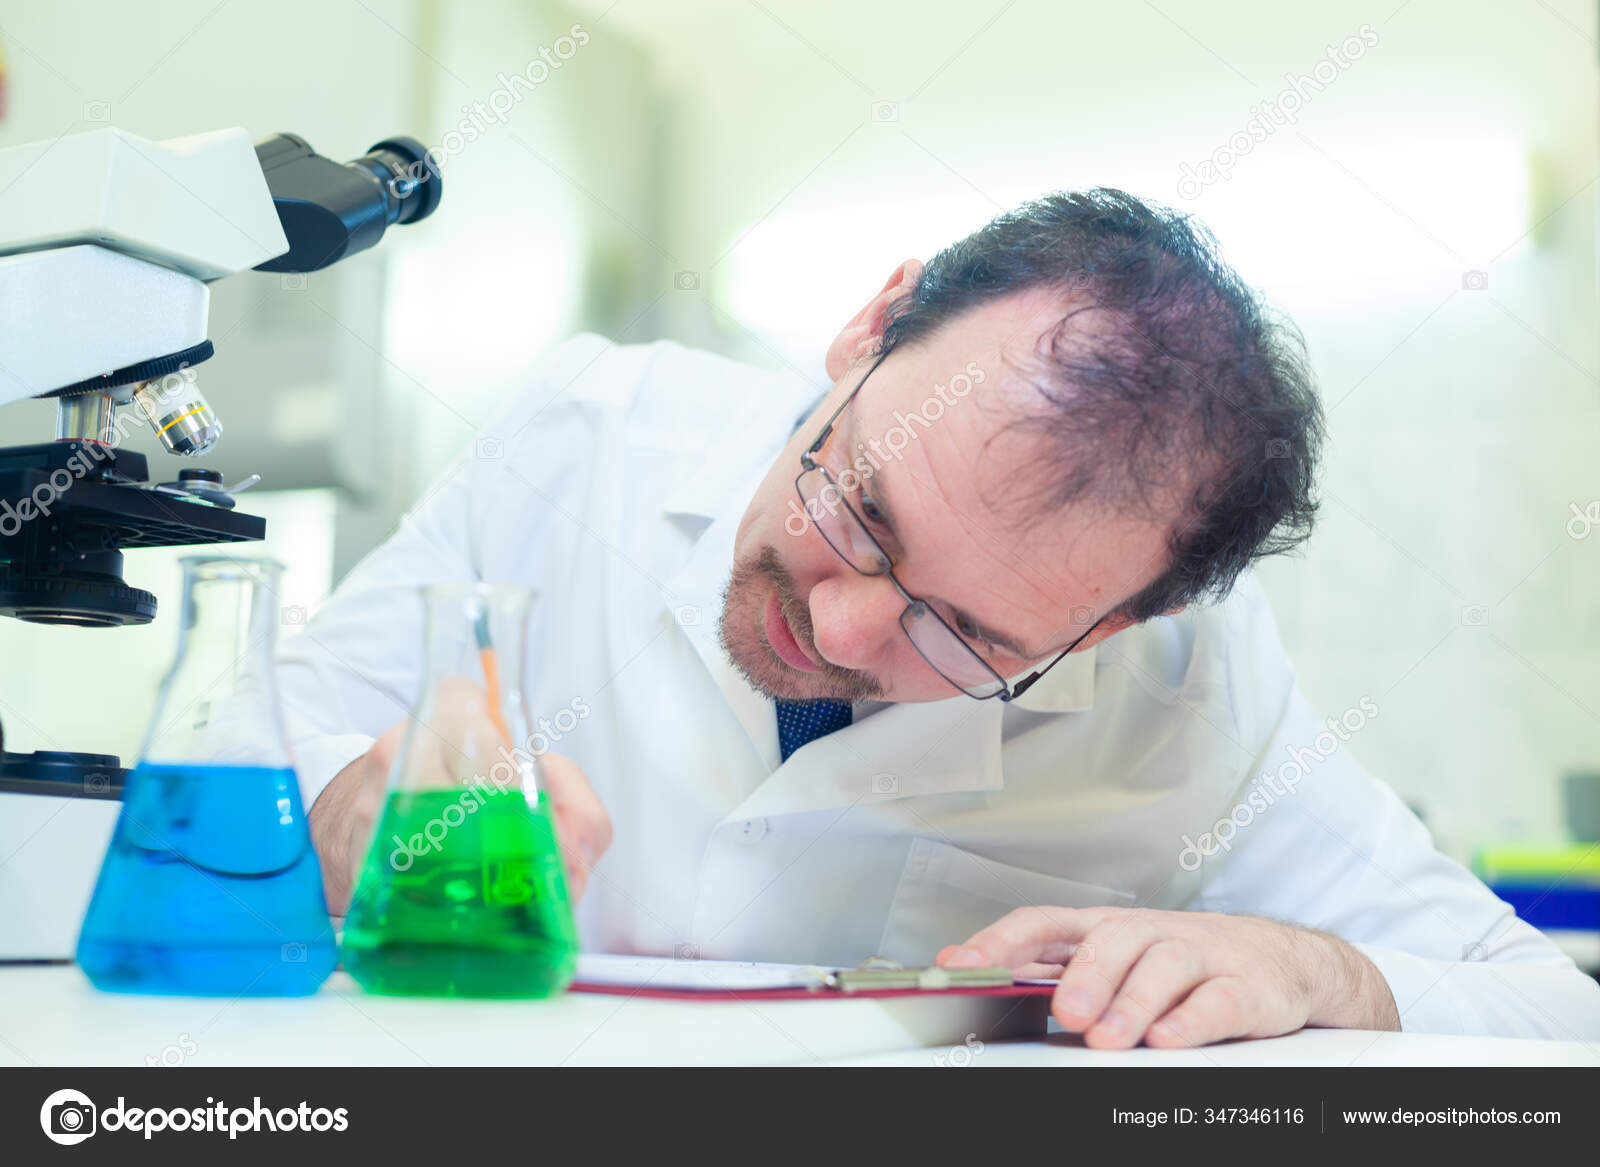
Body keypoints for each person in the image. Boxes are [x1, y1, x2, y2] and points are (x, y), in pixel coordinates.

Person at [279, 189, 1600, 1048]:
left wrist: (1314, 973)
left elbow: (1549, 1008)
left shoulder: (1195, 689)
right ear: (871, 328)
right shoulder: (589, 436)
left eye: (966, 636)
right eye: (860, 508)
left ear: (1106, 633)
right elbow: (233, 748)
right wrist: (339, 811)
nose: (844, 630)